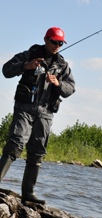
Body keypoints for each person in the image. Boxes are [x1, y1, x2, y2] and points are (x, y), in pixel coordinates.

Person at [0, 27, 75, 204]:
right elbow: (6, 70)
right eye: (54, 41)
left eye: (60, 43)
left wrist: (58, 83)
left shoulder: (63, 65)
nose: (57, 45)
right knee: (15, 144)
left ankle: (28, 193)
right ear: (46, 39)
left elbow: (70, 88)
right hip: (25, 107)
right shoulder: (30, 54)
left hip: (46, 112)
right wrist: (26, 66)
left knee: (37, 151)